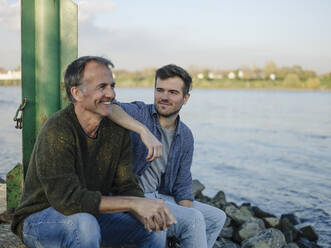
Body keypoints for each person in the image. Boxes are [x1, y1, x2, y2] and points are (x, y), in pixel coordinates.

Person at [11, 56, 176, 248]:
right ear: (77, 93)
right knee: (84, 225)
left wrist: (146, 211)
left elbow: (126, 185)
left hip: (89, 215)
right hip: (39, 219)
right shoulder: (57, 129)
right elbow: (67, 200)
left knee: (152, 229)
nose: (111, 94)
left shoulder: (117, 129)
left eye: (112, 86)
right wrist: (132, 203)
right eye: (102, 87)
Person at [111, 64, 226, 248]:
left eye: (172, 92)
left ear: (185, 98)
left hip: (160, 196)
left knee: (217, 217)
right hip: (134, 196)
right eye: (159, 90)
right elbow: (110, 107)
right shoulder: (140, 114)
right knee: (194, 220)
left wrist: (184, 214)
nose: (164, 97)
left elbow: (182, 183)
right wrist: (142, 131)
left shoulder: (185, 135)